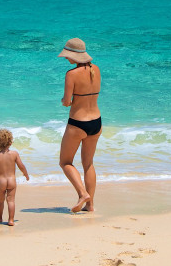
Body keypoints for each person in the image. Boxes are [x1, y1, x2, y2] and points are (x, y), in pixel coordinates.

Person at [57, 38, 102, 213]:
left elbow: (67, 102)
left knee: (65, 162)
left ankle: (83, 194)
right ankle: (90, 206)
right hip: (96, 121)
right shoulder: (96, 69)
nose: (66, 59)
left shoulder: (71, 74)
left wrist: (64, 101)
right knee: (88, 164)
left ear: (74, 56)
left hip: (78, 123)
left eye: (67, 56)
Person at [0, 128, 30, 226]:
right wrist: (26, 174)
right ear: (10, 142)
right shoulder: (14, 154)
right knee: (11, 200)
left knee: (0, 201)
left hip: (1, 182)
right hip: (12, 181)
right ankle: (11, 220)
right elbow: (21, 166)